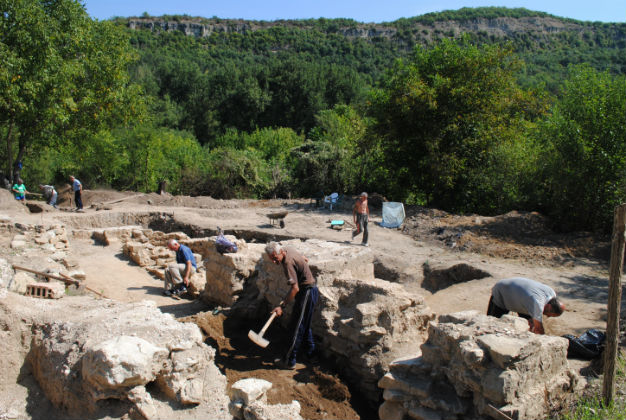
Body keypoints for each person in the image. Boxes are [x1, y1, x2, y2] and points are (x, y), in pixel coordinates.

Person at [266, 241, 319, 369]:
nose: (274, 261)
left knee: (297, 327)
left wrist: (282, 306)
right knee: (304, 325)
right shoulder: (288, 249)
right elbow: (304, 258)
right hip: (310, 291)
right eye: (271, 259)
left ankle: (289, 361)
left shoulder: (288, 263)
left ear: (281, 253)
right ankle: (311, 355)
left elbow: (295, 289)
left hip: (306, 292)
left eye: (275, 258)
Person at [487, 277, 565, 334]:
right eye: (549, 315)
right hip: (503, 291)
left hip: (522, 298)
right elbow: (539, 329)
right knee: (493, 322)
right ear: (549, 306)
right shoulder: (538, 303)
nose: (547, 316)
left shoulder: (552, 294)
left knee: (531, 324)